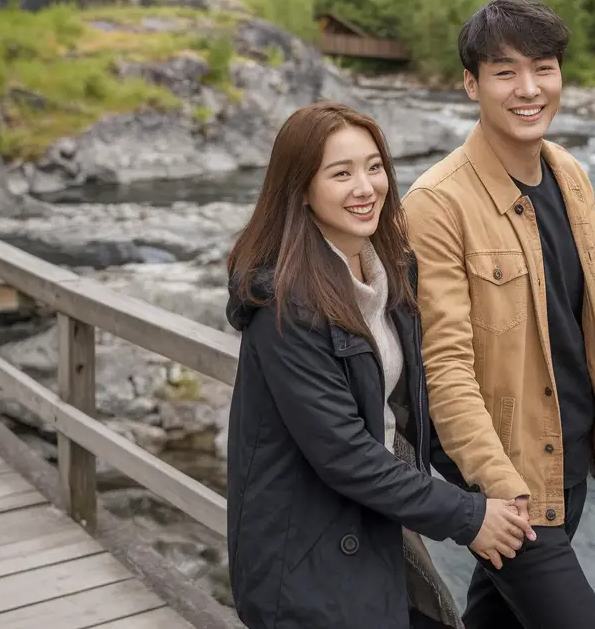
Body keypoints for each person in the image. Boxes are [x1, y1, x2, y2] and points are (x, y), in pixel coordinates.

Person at [224, 101, 534, 629]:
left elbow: (411, 408)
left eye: (374, 167)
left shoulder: (385, 274)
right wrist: (468, 517)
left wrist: (494, 479)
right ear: (301, 188)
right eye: (341, 173)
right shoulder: (287, 304)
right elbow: (343, 452)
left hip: (373, 524)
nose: (366, 187)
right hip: (306, 555)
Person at [402, 0, 595, 629]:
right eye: (505, 72)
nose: (528, 89)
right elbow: (445, 367)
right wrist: (499, 487)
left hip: (566, 459)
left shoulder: (569, 174)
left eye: (543, 68)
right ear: (471, 84)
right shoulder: (437, 203)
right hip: (505, 478)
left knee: (499, 619)